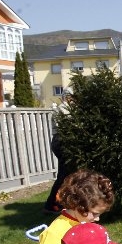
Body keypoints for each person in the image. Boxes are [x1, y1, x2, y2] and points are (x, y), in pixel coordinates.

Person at [43, 87, 72, 215]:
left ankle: (63, 202)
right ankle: (52, 205)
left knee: (67, 174)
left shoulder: (67, 108)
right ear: (69, 97)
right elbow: (69, 125)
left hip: (61, 140)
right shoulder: (64, 109)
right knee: (63, 175)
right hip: (61, 141)